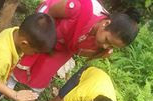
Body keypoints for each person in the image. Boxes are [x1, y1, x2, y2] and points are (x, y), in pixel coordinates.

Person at [11, 0, 140, 92]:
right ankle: (9, 82)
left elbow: (78, 50)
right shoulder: (80, 8)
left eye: (111, 46)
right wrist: (42, 36)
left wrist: (99, 51)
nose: (106, 46)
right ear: (105, 23)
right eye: (107, 40)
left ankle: (30, 94)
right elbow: (50, 12)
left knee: (47, 67)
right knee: (32, 52)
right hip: (50, 26)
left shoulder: (104, 47)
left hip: (65, 45)